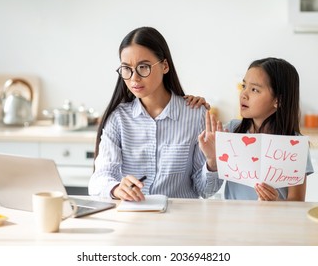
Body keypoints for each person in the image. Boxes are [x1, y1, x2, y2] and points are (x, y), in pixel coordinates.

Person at [88, 26, 220, 201]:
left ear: (164, 66)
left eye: (143, 67)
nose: (134, 78)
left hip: (180, 219)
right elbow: (99, 180)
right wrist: (116, 189)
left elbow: (205, 190)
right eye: (126, 68)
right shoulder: (118, 119)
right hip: (133, 218)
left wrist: (213, 161)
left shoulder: (195, 115)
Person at [199, 57, 314, 201]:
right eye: (244, 86)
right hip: (234, 221)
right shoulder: (231, 132)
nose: (244, 94)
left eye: (254, 89)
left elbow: (297, 202)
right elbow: (206, 191)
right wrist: (212, 160)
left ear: (279, 100)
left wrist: (276, 202)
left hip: (276, 222)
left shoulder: (294, 145)